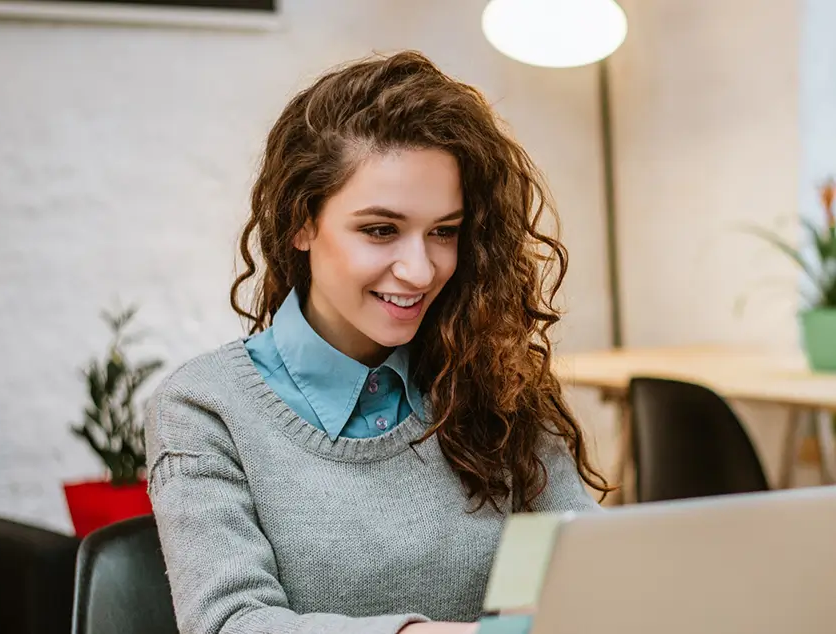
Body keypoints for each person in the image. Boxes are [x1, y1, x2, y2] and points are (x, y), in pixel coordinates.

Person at [144, 50, 611, 634]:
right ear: (301, 221)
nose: (418, 270)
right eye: (380, 230)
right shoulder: (206, 408)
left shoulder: (492, 377)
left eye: (444, 232)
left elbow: (578, 571)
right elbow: (230, 624)